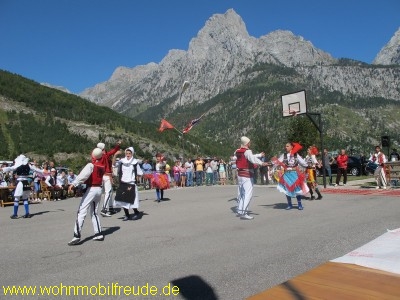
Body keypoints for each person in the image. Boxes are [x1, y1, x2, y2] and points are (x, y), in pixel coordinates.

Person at [67, 148, 106, 245]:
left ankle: (76, 236)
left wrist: (74, 184)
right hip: (99, 189)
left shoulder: (91, 165)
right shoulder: (102, 166)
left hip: (92, 189)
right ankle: (99, 233)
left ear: (93, 155)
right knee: (94, 212)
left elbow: (83, 176)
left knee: (81, 211)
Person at [0, 154, 45, 219]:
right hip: (26, 182)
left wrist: (2, 169)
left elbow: (11, 168)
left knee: (17, 198)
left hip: (20, 182)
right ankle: (27, 213)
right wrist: (43, 171)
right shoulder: (29, 165)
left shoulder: (18, 165)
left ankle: (15, 214)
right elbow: (36, 169)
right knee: (25, 198)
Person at [235, 136, 267, 220]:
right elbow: (252, 158)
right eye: (249, 142)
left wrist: (259, 155)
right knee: (248, 193)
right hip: (247, 174)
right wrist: (261, 163)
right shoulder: (247, 151)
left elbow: (249, 156)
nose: (250, 143)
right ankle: (244, 213)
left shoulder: (237, 151)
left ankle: (240, 210)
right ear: (247, 143)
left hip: (240, 174)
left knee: (242, 193)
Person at [272, 142, 309, 210]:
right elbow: (277, 162)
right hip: (287, 175)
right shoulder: (284, 155)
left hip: (294, 174)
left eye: (287, 146)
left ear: (292, 147)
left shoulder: (296, 155)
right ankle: (289, 204)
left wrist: (308, 165)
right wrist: (272, 165)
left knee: (297, 189)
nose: (286, 147)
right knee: (287, 189)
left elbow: (302, 162)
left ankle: (299, 204)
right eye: (285, 146)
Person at [114, 147, 143, 221]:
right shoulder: (122, 162)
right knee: (123, 200)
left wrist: (136, 178)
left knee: (132, 199)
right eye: (126, 153)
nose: (128, 155)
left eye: (129, 153)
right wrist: (115, 155)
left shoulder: (135, 163)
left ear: (132, 154)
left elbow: (140, 173)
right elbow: (114, 164)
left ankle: (136, 212)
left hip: (131, 183)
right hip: (123, 182)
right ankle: (127, 215)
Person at [97, 141, 122, 217]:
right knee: (108, 192)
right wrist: (118, 145)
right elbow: (113, 151)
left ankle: (110, 208)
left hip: (103, 176)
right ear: (103, 148)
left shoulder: (98, 156)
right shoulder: (104, 155)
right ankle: (104, 209)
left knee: (109, 192)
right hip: (107, 175)